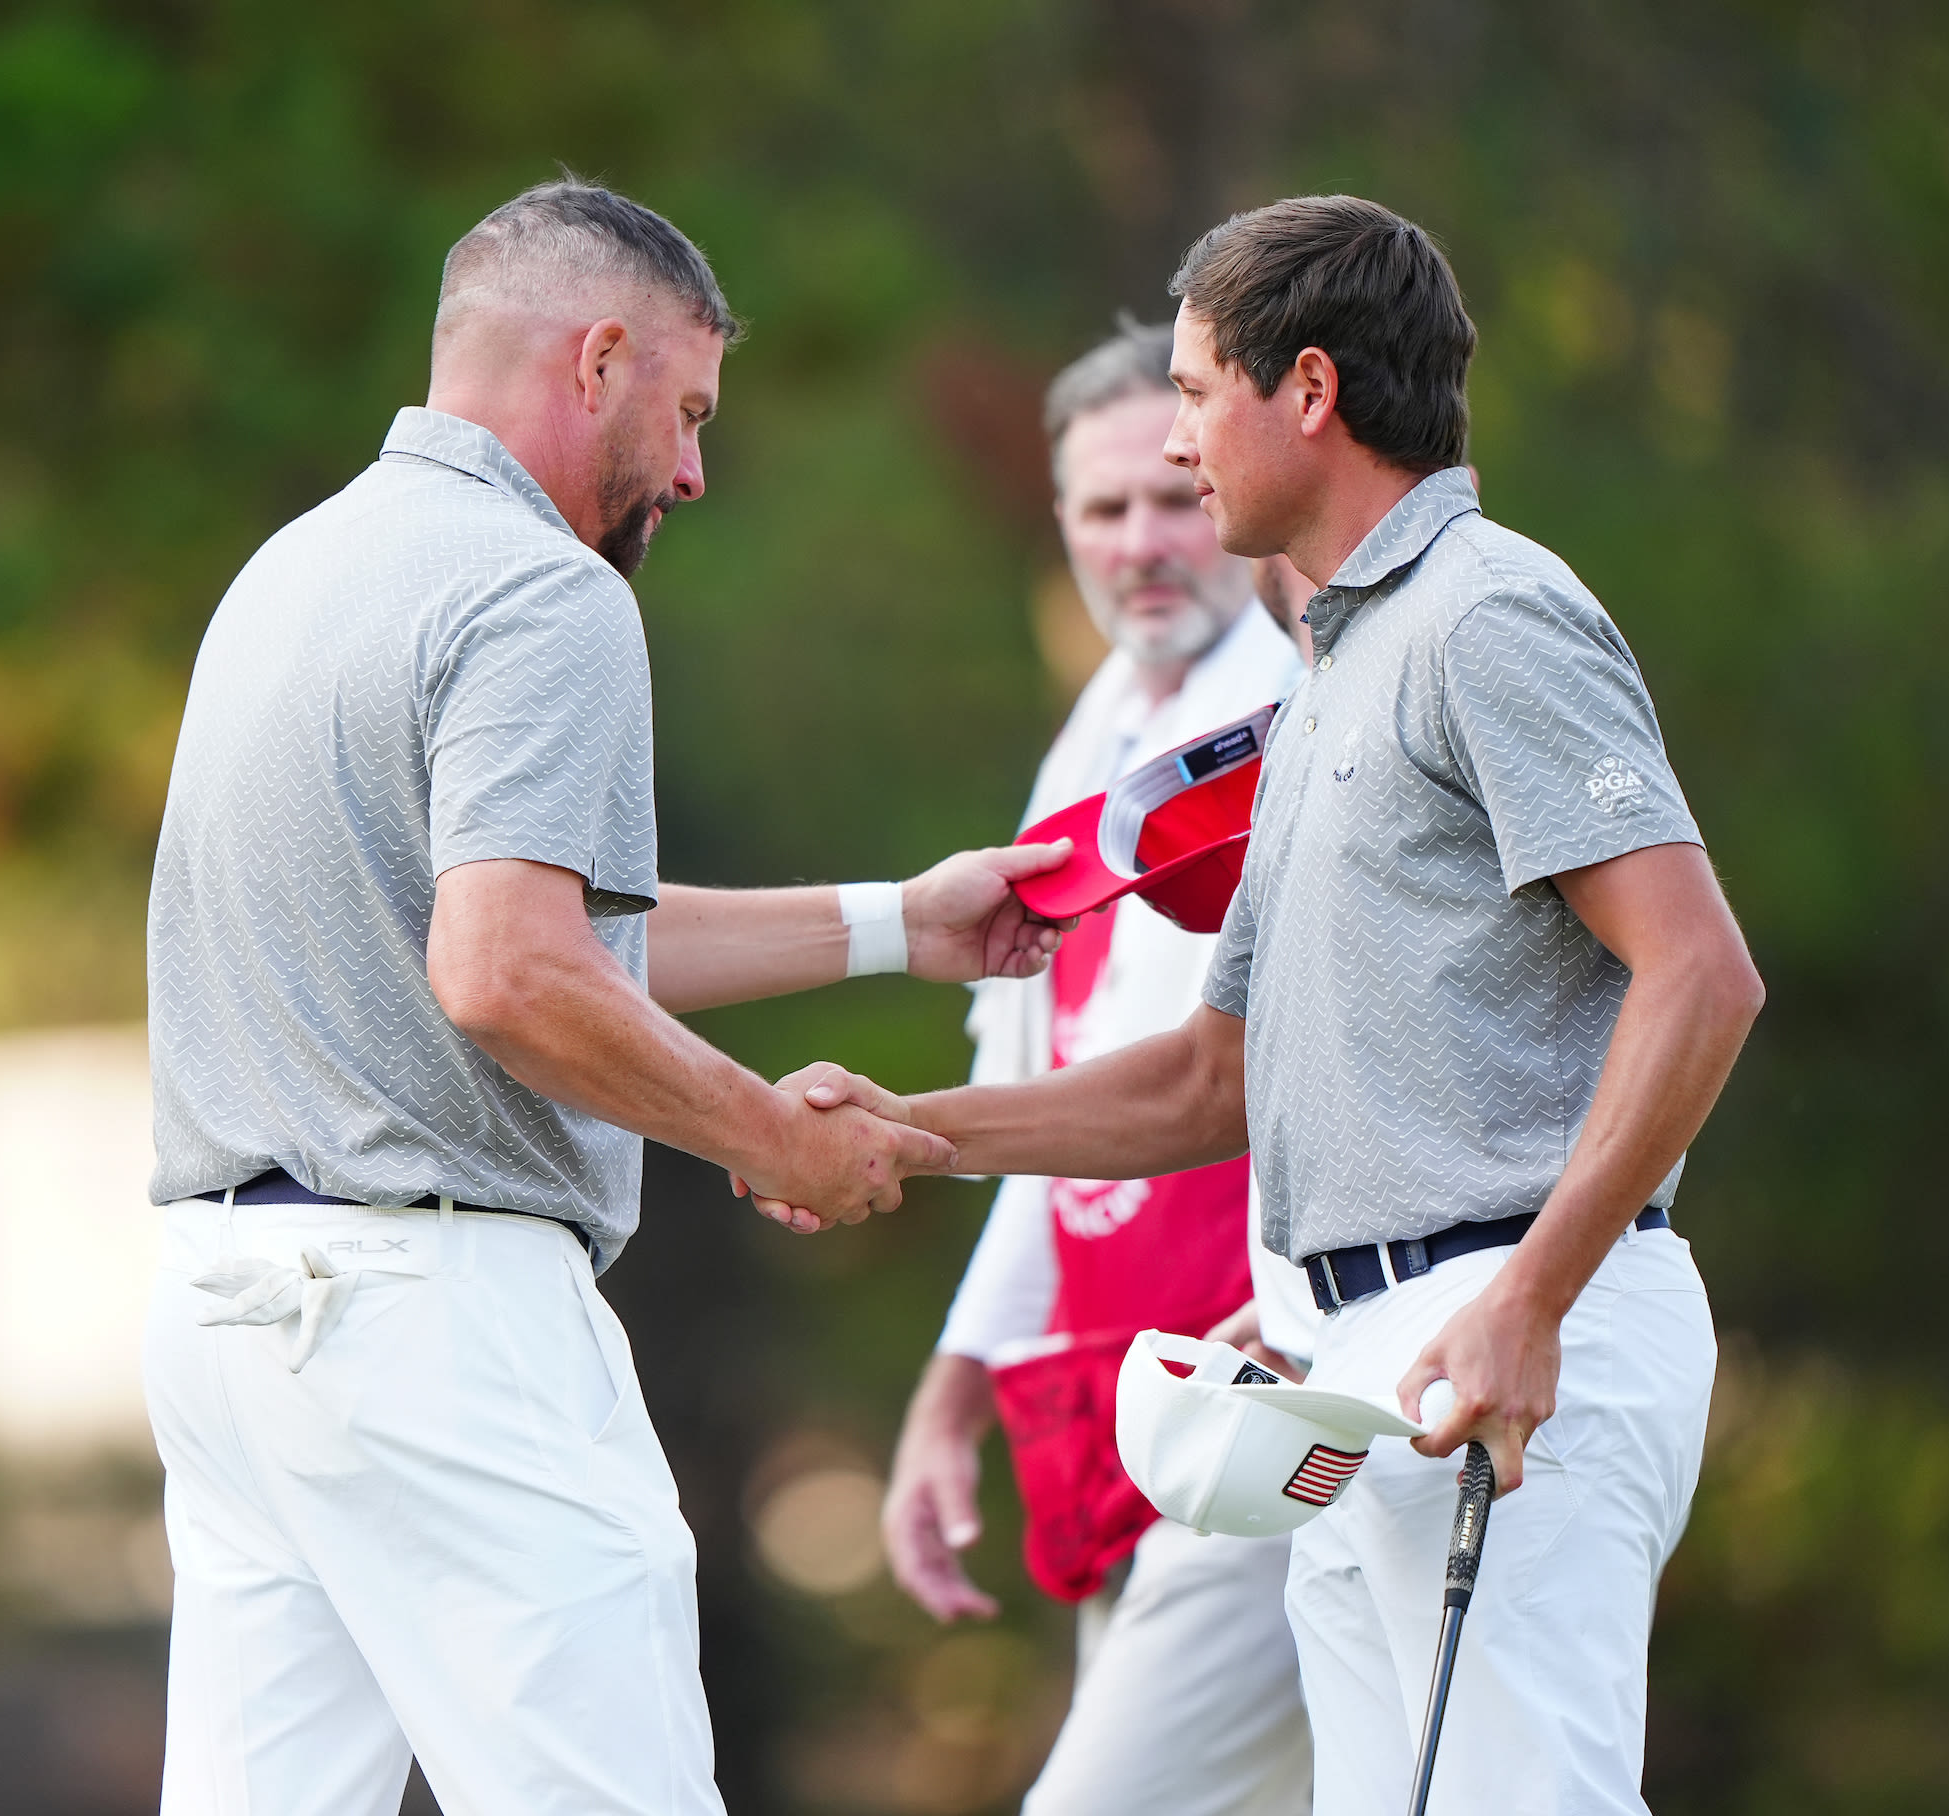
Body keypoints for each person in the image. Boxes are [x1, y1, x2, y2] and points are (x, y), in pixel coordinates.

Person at [769, 196, 1764, 1814]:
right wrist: (901, 1131)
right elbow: (1201, 1085)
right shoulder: (1326, 674)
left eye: (1190, 392)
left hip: (1511, 1334)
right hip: (1344, 1365)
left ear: (1309, 391)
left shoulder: (1487, 614)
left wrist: (1532, 1300)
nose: (1175, 437)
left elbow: (1702, 971)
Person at [142, 175, 1067, 1816]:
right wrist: (770, 1139)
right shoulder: (539, 589)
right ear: (599, 360)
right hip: (438, 1323)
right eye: (693, 409)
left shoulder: (294, 572)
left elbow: (540, 924)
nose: (699, 468)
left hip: (232, 1322)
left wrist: (896, 926)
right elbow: (506, 973)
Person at [881, 320, 1317, 1816]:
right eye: (1100, 509)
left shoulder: (1304, 710)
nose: (1141, 543)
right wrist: (954, 1386)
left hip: (1280, 1389)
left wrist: (887, 1134)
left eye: (1170, 497)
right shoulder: (1090, 749)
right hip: (1141, 1418)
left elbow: (1229, 1084)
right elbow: (1047, 1114)